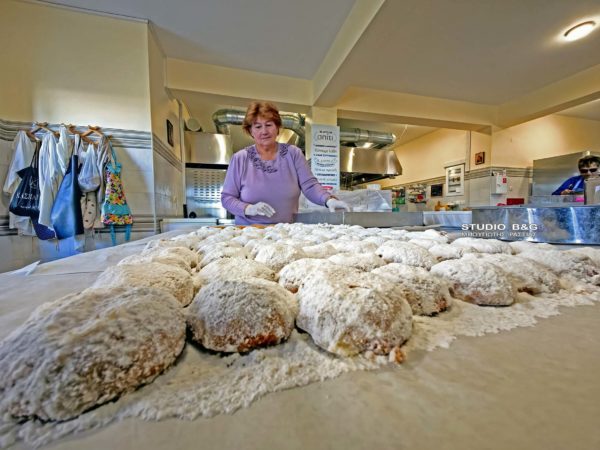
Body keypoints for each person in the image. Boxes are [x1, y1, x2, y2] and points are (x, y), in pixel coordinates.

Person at [221, 101, 350, 225]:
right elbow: (227, 198)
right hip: (249, 232)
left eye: (269, 125)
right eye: (258, 126)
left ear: (277, 127)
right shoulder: (240, 159)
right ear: (250, 131)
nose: (264, 131)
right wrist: (248, 208)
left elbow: (310, 186)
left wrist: (328, 200)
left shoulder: (293, 154)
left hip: (286, 231)